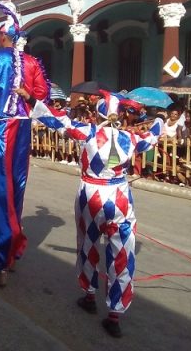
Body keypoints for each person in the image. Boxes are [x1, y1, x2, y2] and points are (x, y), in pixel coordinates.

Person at [28, 89, 163, 338]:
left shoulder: (88, 131)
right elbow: (153, 136)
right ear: (119, 115)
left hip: (90, 194)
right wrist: (159, 121)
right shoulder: (130, 139)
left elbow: (56, 118)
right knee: (121, 253)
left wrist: (29, 99)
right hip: (120, 196)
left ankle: (89, 296)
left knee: (88, 245)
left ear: (99, 113)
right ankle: (114, 315)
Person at [0, 0, 50, 287]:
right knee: (18, 186)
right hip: (23, 128)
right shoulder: (32, 62)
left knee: (0, 189)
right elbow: (42, 94)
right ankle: (12, 251)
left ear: (4, 36)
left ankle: (1, 254)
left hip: (4, 126)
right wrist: (27, 96)